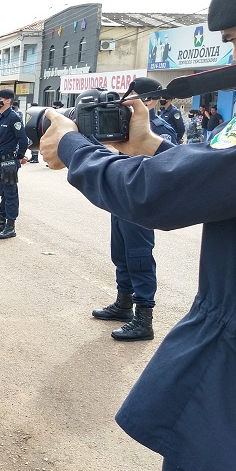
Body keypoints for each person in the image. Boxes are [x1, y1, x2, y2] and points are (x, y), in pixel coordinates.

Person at [39, 0, 236, 471]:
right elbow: (225, 185)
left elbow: (159, 199)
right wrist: (150, 149)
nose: (233, 53)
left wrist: (75, 150)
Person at [90, 80, 177, 341]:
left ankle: (144, 319)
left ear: (149, 101)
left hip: (141, 203)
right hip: (121, 200)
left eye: (135, 99)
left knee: (139, 258)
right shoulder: (124, 127)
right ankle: (123, 304)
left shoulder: (160, 130)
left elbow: (168, 168)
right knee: (121, 255)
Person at [0, 89, 29, 239]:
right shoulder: (1, 117)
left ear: (8, 100)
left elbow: (23, 140)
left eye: (0, 98)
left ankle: (10, 226)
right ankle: (1, 221)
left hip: (8, 162)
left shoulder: (13, 118)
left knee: (10, 193)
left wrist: (19, 157)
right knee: (3, 193)